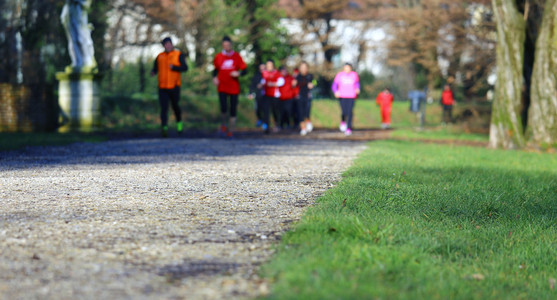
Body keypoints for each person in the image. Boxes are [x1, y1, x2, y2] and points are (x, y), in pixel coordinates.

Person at [151, 37, 188, 137]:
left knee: (175, 107)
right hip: (162, 87)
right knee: (164, 108)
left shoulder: (178, 54)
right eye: (165, 44)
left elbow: (185, 67)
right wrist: (153, 72)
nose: (168, 45)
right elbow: (155, 68)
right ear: (163, 46)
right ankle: (164, 129)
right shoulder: (160, 56)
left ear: (172, 44)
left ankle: (179, 126)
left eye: (169, 43)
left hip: (174, 86)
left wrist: (175, 67)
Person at [213, 36, 247, 138]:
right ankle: (223, 124)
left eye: (228, 45)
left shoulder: (236, 56)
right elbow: (215, 69)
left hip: (233, 87)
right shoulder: (219, 56)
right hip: (222, 86)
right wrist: (214, 77)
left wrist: (239, 74)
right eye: (224, 45)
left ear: (231, 45)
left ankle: (230, 131)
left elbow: (245, 70)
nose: (226, 47)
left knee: (233, 109)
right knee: (223, 108)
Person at [332, 63, 360, 136]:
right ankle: (343, 121)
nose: (347, 69)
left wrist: (357, 89)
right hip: (342, 96)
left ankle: (348, 128)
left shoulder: (354, 75)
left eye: (348, 68)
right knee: (344, 111)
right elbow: (334, 85)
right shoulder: (339, 75)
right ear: (344, 68)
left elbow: (357, 84)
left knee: (350, 112)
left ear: (350, 68)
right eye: (345, 68)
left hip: (351, 96)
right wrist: (335, 92)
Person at [259, 59, 282, 134]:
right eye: (267, 66)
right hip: (266, 95)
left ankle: (276, 124)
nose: (269, 67)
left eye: (270, 65)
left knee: (275, 111)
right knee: (266, 111)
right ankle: (266, 126)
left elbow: (281, 82)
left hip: (275, 96)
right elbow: (262, 82)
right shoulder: (264, 73)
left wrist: (272, 84)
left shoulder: (277, 73)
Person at [295, 62, 315, 136]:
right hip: (300, 96)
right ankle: (303, 128)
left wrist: (312, 84)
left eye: (305, 67)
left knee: (307, 112)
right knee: (300, 113)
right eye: (302, 67)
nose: (303, 69)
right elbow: (293, 85)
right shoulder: (297, 76)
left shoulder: (310, 76)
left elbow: (315, 82)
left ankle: (308, 121)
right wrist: (293, 83)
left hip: (308, 96)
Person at [249, 63, 266, 128]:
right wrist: (250, 93)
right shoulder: (256, 76)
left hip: (266, 96)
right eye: (261, 68)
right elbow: (252, 85)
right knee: (258, 109)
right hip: (258, 95)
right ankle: (260, 119)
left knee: (265, 109)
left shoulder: (268, 75)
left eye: (263, 68)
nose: (262, 70)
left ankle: (265, 122)